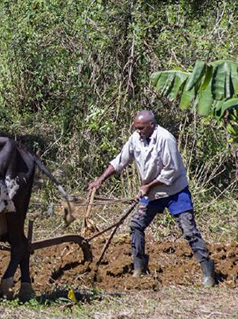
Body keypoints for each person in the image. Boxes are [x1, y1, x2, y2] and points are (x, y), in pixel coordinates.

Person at [89, 110, 216, 287]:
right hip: (152, 194)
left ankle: (208, 271)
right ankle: (139, 267)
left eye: (141, 128)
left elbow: (171, 171)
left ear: (152, 125)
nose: (138, 131)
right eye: (136, 128)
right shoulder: (135, 138)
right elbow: (121, 160)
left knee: (189, 231)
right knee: (136, 225)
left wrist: (148, 186)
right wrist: (100, 180)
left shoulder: (166, 139)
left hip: (175, 191)